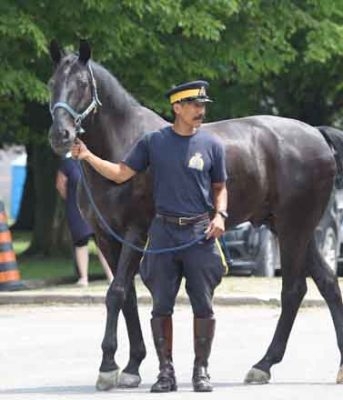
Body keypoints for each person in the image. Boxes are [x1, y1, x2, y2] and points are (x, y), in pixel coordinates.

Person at [71, 80, 228, 392]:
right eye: (195, 106)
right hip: (163, 234)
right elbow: (119, 173)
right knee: (161, 307)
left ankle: (201, 370)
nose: (201, 111)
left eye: (202, 106)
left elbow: (220, 187)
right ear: (177, 108)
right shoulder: (153, 142)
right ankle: (165, 371)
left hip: (199, 233)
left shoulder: (212, 145)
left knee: (204, 306)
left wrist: (220, 214)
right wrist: (87, 156)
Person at [55, 154, 113, 287]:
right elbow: (60, 185)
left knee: (102, 242)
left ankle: (111, 276)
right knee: (81, 241)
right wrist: (71, 199)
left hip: (95, 207)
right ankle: (83, 278)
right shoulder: (67, 164)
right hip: (76, 207)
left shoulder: (93, 161)